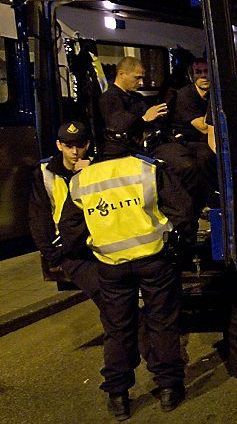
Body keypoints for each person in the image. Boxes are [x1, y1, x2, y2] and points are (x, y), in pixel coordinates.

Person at [59, 124, 196, 421]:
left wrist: (79, 254)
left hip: (110, 265)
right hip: (153, 261)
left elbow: (69, 228)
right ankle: (169, 388)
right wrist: (179, 242)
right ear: (138, 139)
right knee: (161, 323)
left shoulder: (84, 179)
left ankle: (118, 396)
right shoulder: (148, 169)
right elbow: (182, 211)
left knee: (118, 329)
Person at [99, 56, 200, 202]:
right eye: (137, 78)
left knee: (197, 154)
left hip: (155, 140)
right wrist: (144, 119)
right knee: (185, 166)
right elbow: (118, 127)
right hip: (132, 149)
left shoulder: (137, 97)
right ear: (122, 74)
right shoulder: (109, 98)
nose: (140, 82)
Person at [27, 120, 100, 300]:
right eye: (69, 146)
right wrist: (52, 256)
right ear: (59, 145)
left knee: (108, 297)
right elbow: (38, 218)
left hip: (95, 245)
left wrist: (89, 172)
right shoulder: (44, 172)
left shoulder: (98, 168)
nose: (75, 152)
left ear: (88, 145)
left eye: (80, 146)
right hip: (65, 250)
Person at [169, 58, 217, 206]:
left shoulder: (213, 93)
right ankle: (209, 202)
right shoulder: (185, 96)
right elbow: (203, 127)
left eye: (207, 71)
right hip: (185, 139)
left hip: (205, 136)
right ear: (192, 75)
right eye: (198, 72)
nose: (203, 76)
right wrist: (214, 102)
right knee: (206, 155)